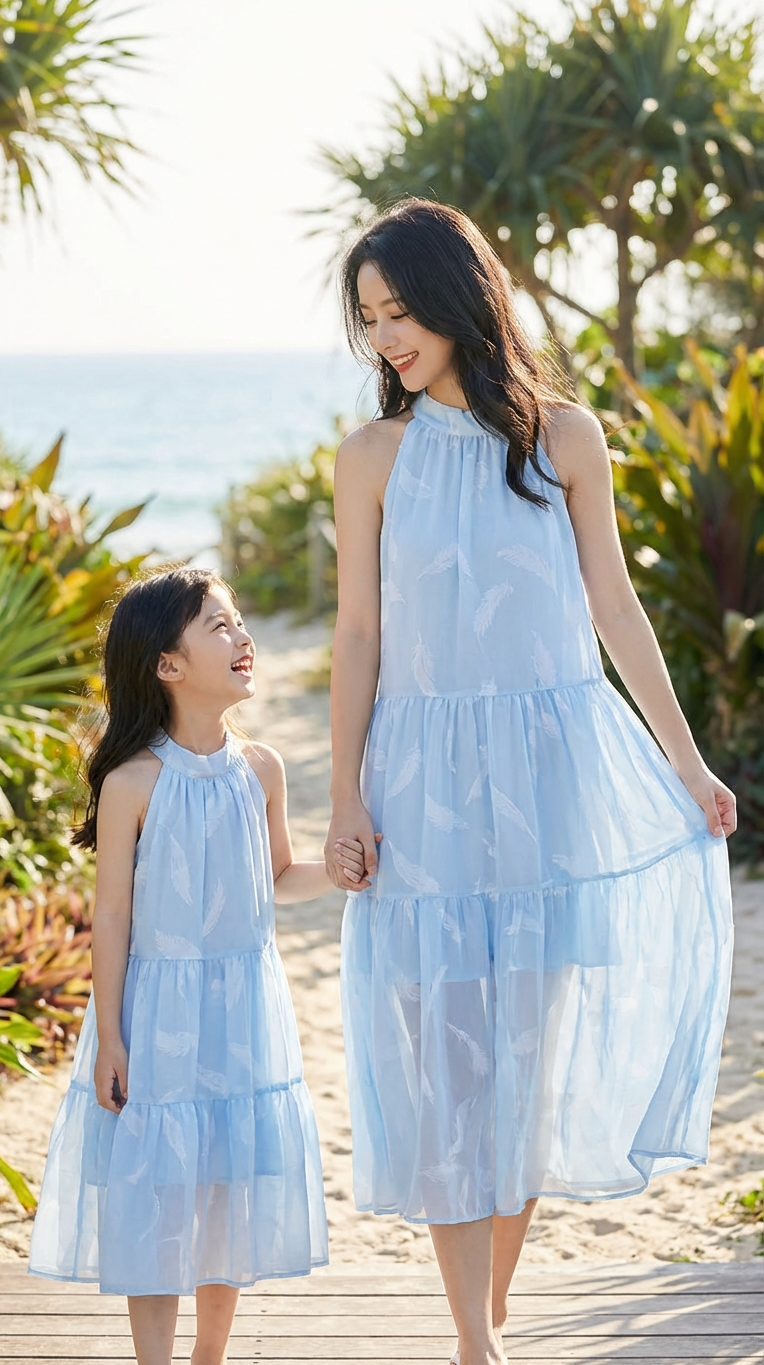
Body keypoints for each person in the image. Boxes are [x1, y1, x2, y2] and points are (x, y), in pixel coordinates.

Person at [325, 199, 736, 1365]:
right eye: (367, 319)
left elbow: (615, 609)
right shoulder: (371, 457)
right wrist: (346, 796)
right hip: (422, 789)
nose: (385, 338)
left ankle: (484, 1323)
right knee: (450, 1063)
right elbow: (357, 635)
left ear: (459, 297)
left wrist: (687, 762)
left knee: (524, 1074)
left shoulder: (566, 439)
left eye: (399, 310)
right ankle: (475, 1343)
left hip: (551, 780)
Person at [29, 568, 363, 1365]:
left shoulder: (263, 769)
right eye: (219, 625)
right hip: (157, 1011)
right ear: (167, 665)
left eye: (241, 620)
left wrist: (343, 868)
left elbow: (281, 877)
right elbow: (112, 916)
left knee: (224, 1187)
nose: (243, 635)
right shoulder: (132, 781)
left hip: (245, 1004)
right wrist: (111, 1036)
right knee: (158, 1191)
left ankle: (210, 1357)